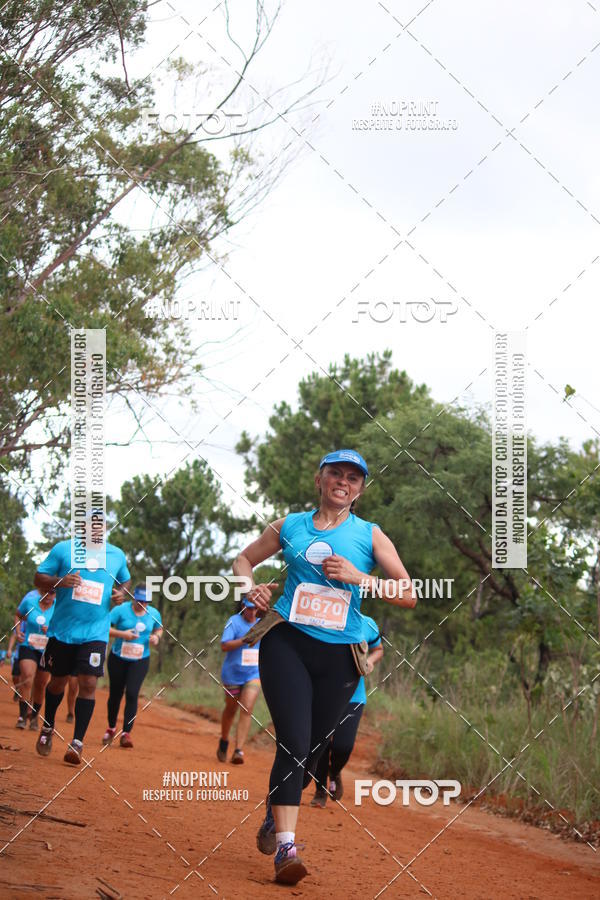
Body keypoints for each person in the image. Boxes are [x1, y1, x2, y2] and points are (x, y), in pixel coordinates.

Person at [232, 448, 416, 885]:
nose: (343, 482)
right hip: (287, 641)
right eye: (336, 473)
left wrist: (360, 578)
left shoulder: (371, 536)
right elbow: (243, 560)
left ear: (360, 489)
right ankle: (287, 849)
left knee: (312, 749)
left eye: (353, 478)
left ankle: (274, 815)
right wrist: (249, 590)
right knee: (293, 742)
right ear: (320, 479)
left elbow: (408, 593)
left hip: (341, 657)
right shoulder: (289, 525)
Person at [34, 521, 131, 764]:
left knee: (88, 682)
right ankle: (48, 726)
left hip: (96, 633)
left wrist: (121, 593)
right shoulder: (63, 549)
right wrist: (59, 581)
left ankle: (77, 743)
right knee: (58, 683)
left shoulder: (116, 554)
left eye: (101, 526)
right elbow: (38, 578)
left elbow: (125, 581)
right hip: (62, 632)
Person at [310, 613, 383, 808]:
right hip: (323, 693)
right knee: (322, 745)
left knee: (343, 746)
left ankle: (334, 772)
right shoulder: (323, 618)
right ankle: (320, 790)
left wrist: (371, 661)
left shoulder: (368, 623)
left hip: (354, 696)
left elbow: (378, 649)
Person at [102, 584, 163, 748]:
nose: (143, 604)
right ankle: (111, 728)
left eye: (146, 602)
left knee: (132, 693)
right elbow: (105, 628)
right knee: (115, 694)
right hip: (118, 657)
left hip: (140, 659)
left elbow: (159, 628)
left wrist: (156, 637)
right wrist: (123, 635)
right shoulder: (120, 610)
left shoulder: (154, 613)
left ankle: (126, 734)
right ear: (134, 598)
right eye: (140, 601)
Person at [217, 598, 262, 765]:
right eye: (249, 608)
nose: (252, 612)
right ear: (243, 607)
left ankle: (239, 750)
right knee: (230, 709)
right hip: (232, 674)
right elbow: (224, 645)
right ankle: (223, 740)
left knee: (247, 707)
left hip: (253, 673)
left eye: (255, 608)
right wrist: (244, 640)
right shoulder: (233, 622)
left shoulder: (261, 623)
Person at [12, 589, 56, 730]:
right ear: (41, 590)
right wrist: (18, 632)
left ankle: (35, 717)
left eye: (53, 592)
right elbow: (18, 615)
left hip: (47, 650)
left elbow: (64, 627)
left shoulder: (59, 607)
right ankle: (22, 716)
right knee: (27, 678)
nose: (49, 595)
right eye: (47, 591)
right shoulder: (30, 602)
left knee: (41, 684)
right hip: (28, 646)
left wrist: (51, 631)